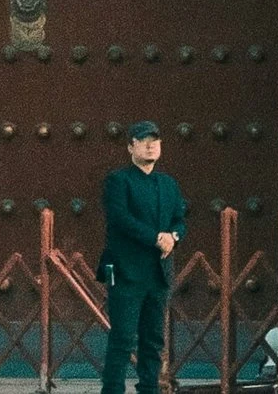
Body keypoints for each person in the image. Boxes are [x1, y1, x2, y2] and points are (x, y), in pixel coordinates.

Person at [98, 122, 186, 394]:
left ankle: (149, 388)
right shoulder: (118, 180)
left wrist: (174, 236)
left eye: (155, 141)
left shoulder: (168, 184)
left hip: (158, 272)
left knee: (153, 339)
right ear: (130, 146)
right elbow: (121, 219)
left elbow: (179, 219)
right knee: (123, 337)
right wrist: (155, 238)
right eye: (143, 140)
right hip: (127, 272)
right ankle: (112, 390)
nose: (150, 145)